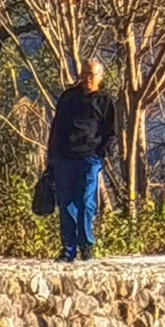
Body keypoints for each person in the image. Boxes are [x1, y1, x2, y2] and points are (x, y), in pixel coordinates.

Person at [44, 59, 118, 262]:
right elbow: (57, 127)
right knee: (66, 204)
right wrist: (51, 157)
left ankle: (87, 245)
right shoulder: (68, 97)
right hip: (65, 157)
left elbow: (111, 131)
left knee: (86, 201)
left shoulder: (105, 100)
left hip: (90, 158)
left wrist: (102, 153)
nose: (87, 79)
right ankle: (68, 249)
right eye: (84, 74)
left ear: (100, 77)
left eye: (91, 75)